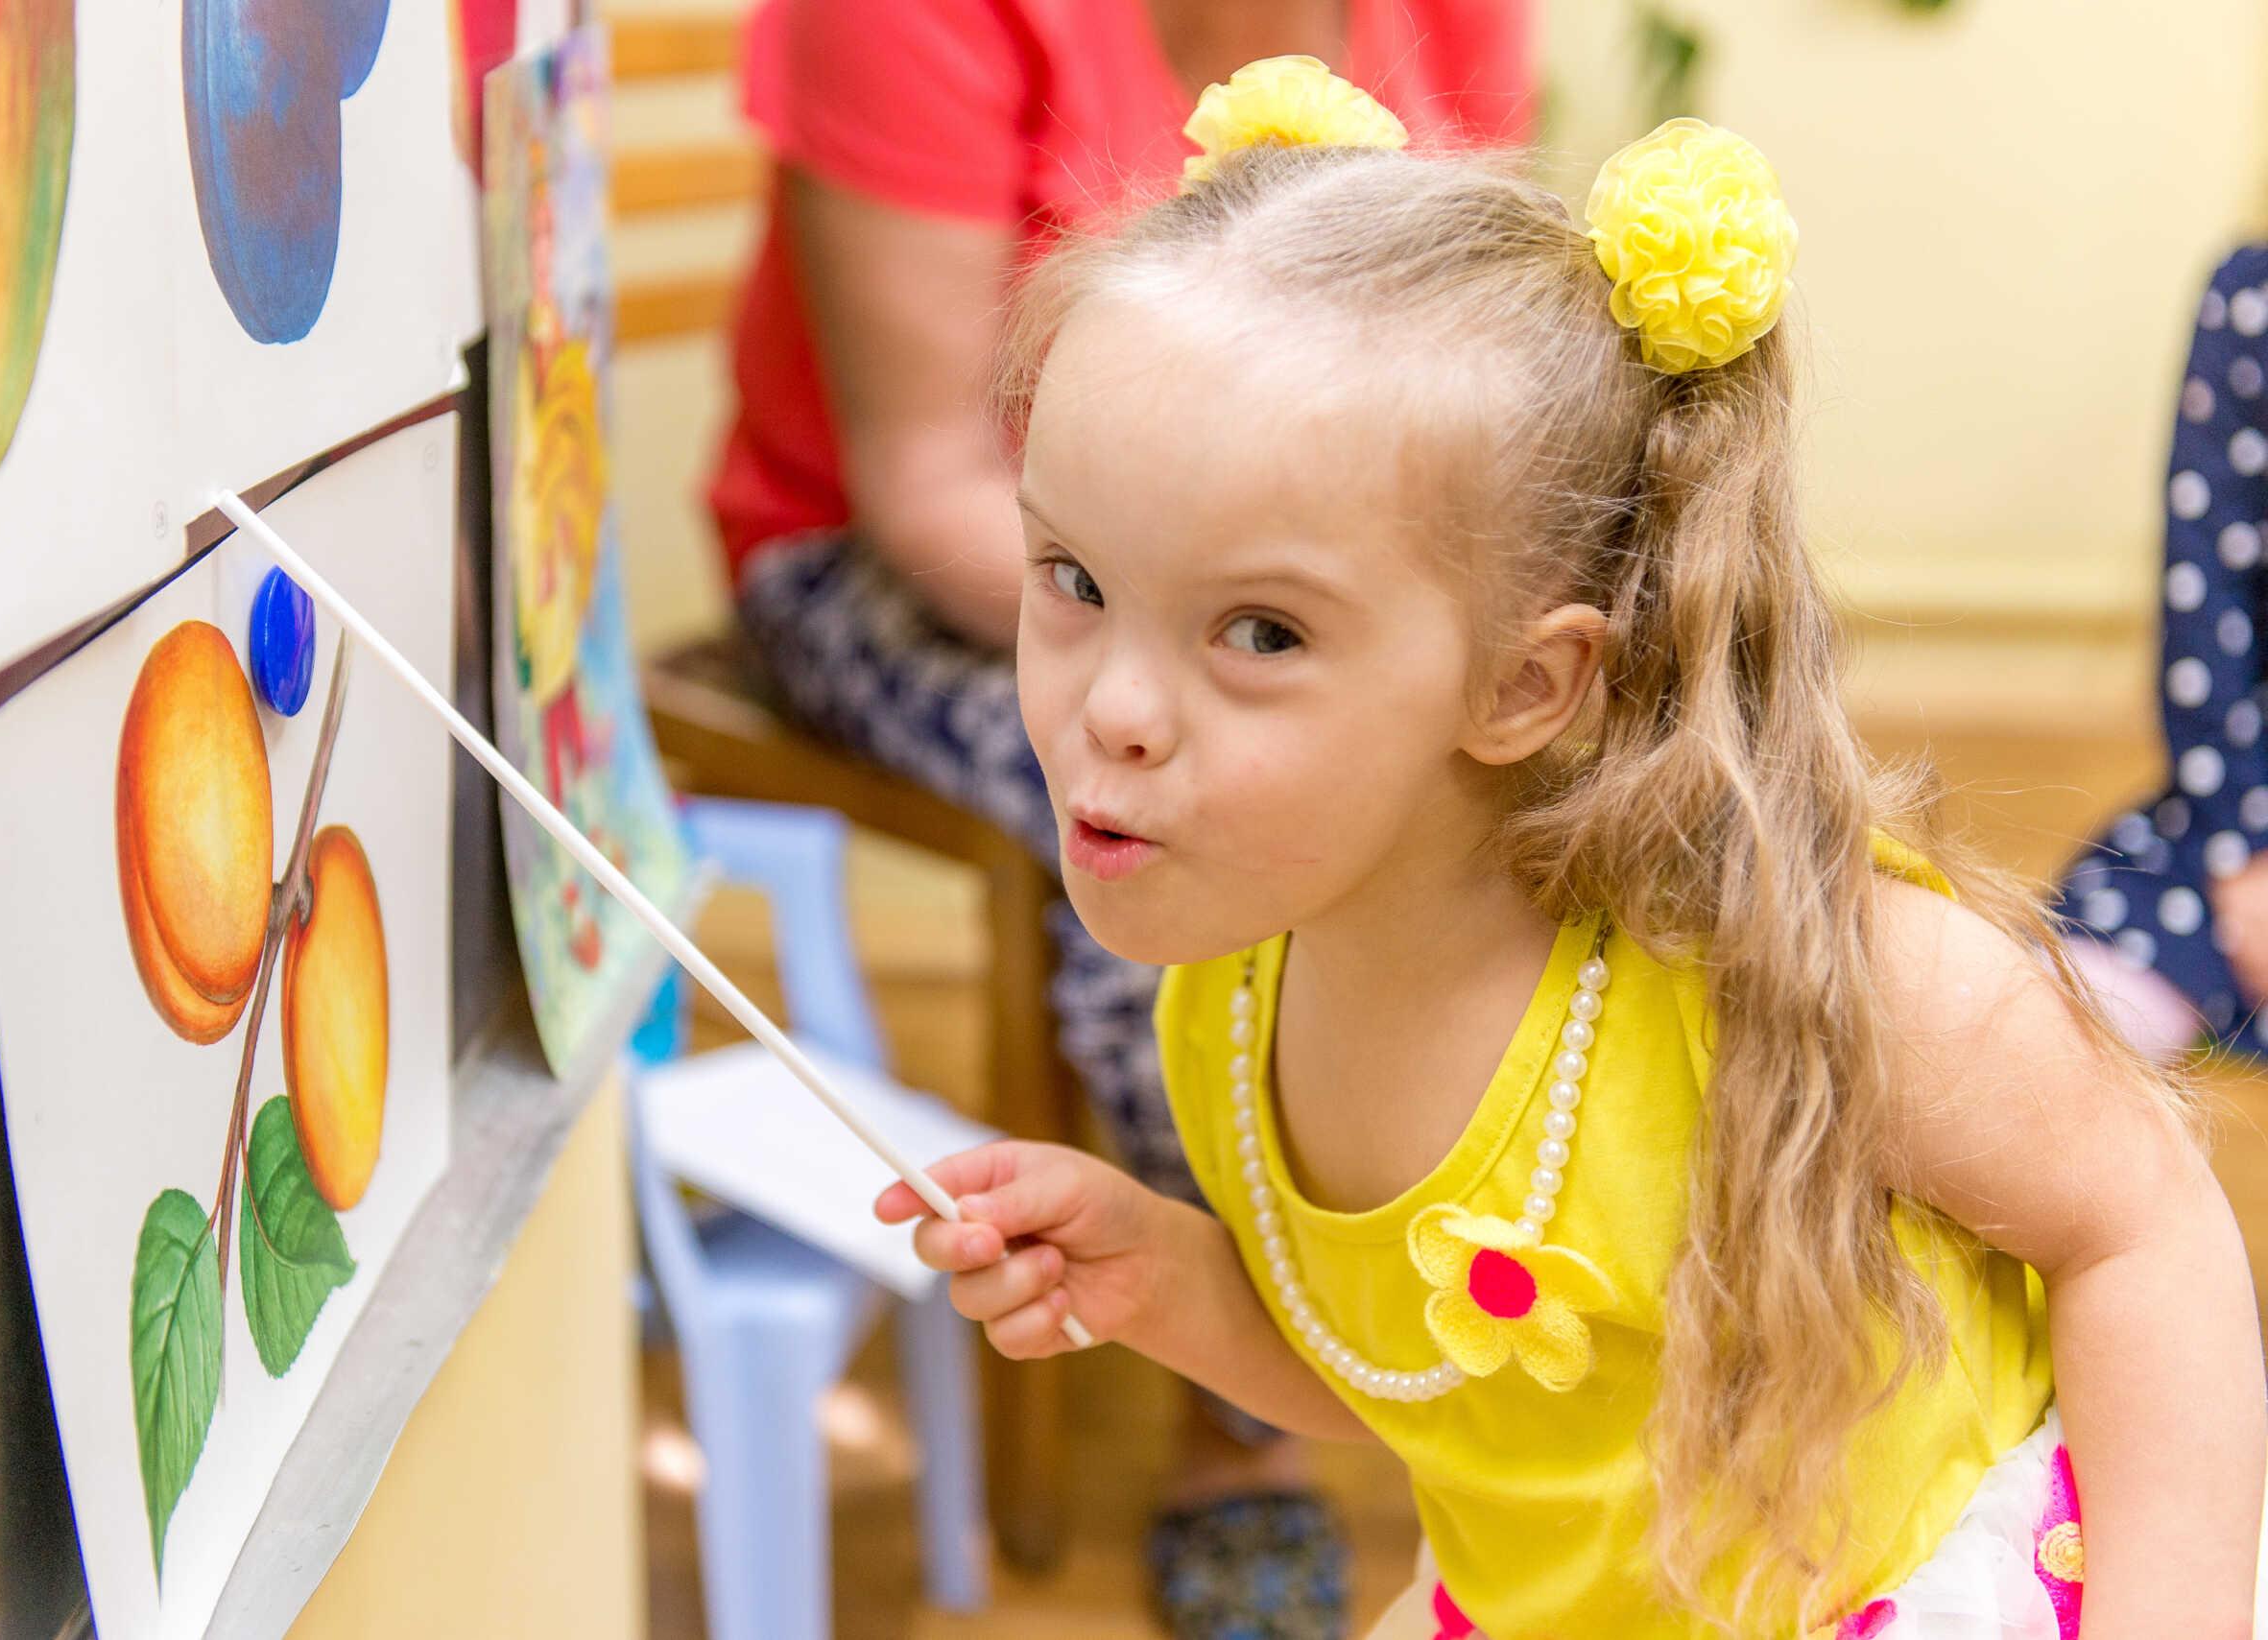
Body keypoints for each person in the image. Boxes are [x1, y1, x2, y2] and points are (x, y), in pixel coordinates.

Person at [876, 63, 2268, 1637]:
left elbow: (2145, 1222)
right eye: (1070, 576)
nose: (1112, 708)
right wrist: (1173, 1283)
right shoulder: (1233, 996)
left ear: (1527, 681)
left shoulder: (1798, 971)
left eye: (1258, 630)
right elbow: (1446, 1386)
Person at [712, 4, 1530, 1632]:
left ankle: (1472, 1275)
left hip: (1258, 569)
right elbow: (932, 472)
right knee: (1169, 799)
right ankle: (1248, 1429)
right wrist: (1213, 656)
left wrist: (1333, 644)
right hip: (905, 556)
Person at [2059, 245, 2268, 1063]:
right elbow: (2206, 598)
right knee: (2088, 965)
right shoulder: (2249, 298)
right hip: (2249, 795)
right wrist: (2243, 856)